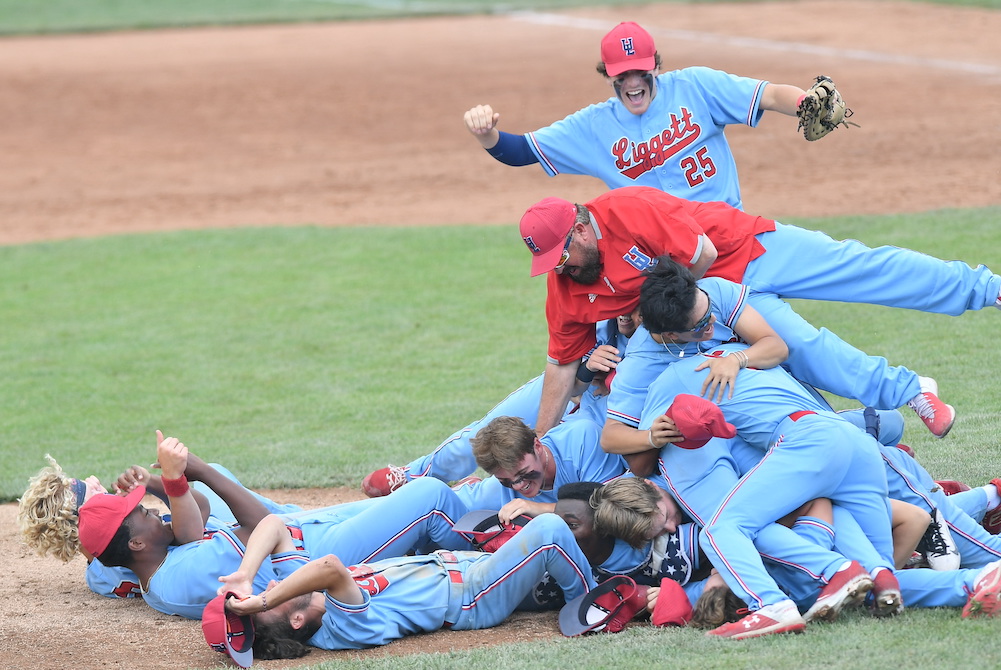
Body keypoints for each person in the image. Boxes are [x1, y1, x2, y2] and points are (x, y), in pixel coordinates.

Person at [519, 186, 998, 437]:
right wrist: (542, 440)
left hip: (748, 246)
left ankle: (987, 288)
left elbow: (701, 255)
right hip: (719, 296)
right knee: (801, 348)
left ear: (580, 231)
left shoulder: (626, 209)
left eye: (560, 256)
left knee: (864, 266)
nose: (558, 269)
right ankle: (914, 392)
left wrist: (650, 310)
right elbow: (560, 365)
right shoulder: (566, 286)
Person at [74, 432, 479, 619]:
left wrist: (164, 483)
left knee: (428, 504)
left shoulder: (156, 563)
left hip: (304, 535)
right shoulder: (183, 574)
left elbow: (192, 517)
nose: (149, 510)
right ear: (137, 545)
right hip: (316, 555)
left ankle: (457, 524)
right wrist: (194, 469)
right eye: (140, 514)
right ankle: (485, 550)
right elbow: (261, 524)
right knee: (429, 495)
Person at [463, 21, 824, 210]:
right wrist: (486, 136)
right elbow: (522, 151)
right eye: (623, 74)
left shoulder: (695, 85)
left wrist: (804, 103)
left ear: (654, 67)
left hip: (726, 230)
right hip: (661, 258)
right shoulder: (593, 126)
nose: (633, 83)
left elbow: (770, 94)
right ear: (609, 75)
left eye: (640, 72)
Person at [203, 513, 598, 661]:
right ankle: (595, 603)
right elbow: (329, 566)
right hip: (474, 597)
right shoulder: (340, 628)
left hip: (468, 567)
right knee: (548, 530)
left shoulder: (308, 599)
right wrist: (264, 600)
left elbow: (272, 524)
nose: (269, 586)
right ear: (294, 621)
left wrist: (243, 574)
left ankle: (572, 585)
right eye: (262, 604)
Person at [361, 314, 637, 497]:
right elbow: (570, 369)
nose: (625, 312)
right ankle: (413, 475)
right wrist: (587, 369)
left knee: (525, 467)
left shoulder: (655, 342)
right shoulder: (595, 301)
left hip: (593, 415)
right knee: (486, 434)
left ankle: (470, 493)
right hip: (569, 385)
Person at [452, 415, 628, 524]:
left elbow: (608, 507)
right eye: (506, 481)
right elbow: (449, 503)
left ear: (537, 445)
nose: (518, 486)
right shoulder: (501, 487)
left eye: (523, 473)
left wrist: (537, 508)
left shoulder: (582, 440)